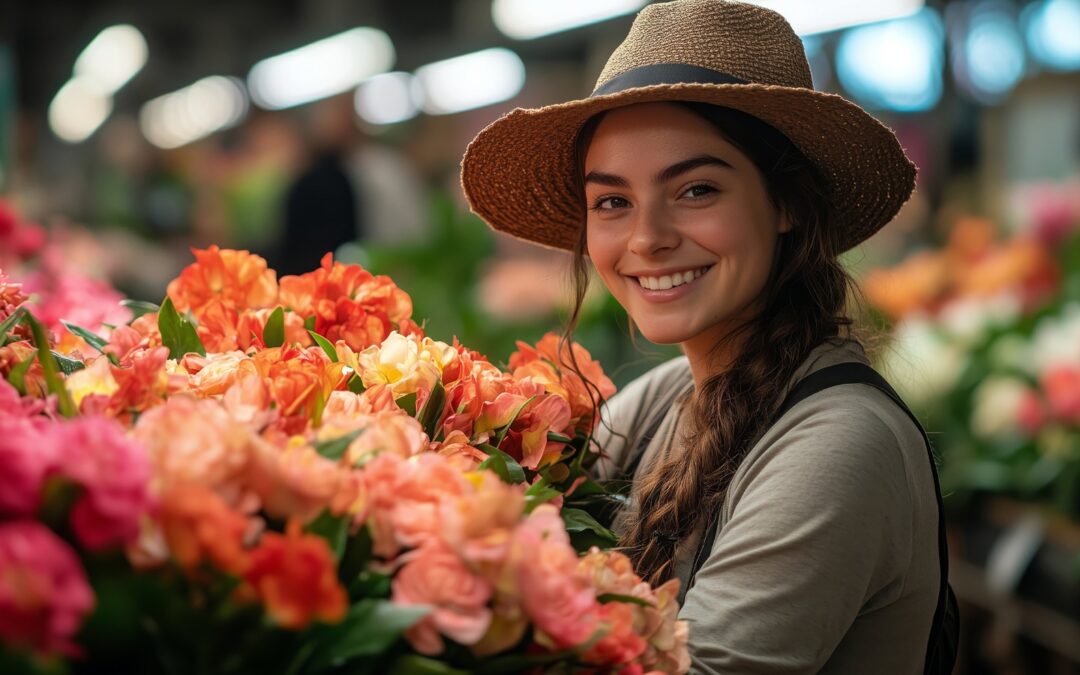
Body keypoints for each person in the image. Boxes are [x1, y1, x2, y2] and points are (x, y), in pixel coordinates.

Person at [460, 1, 956, 673]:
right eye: (612, 201)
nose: (647, 238)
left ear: (787, 203)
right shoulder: (663, 400)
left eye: (695, 189)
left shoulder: (840, 443)